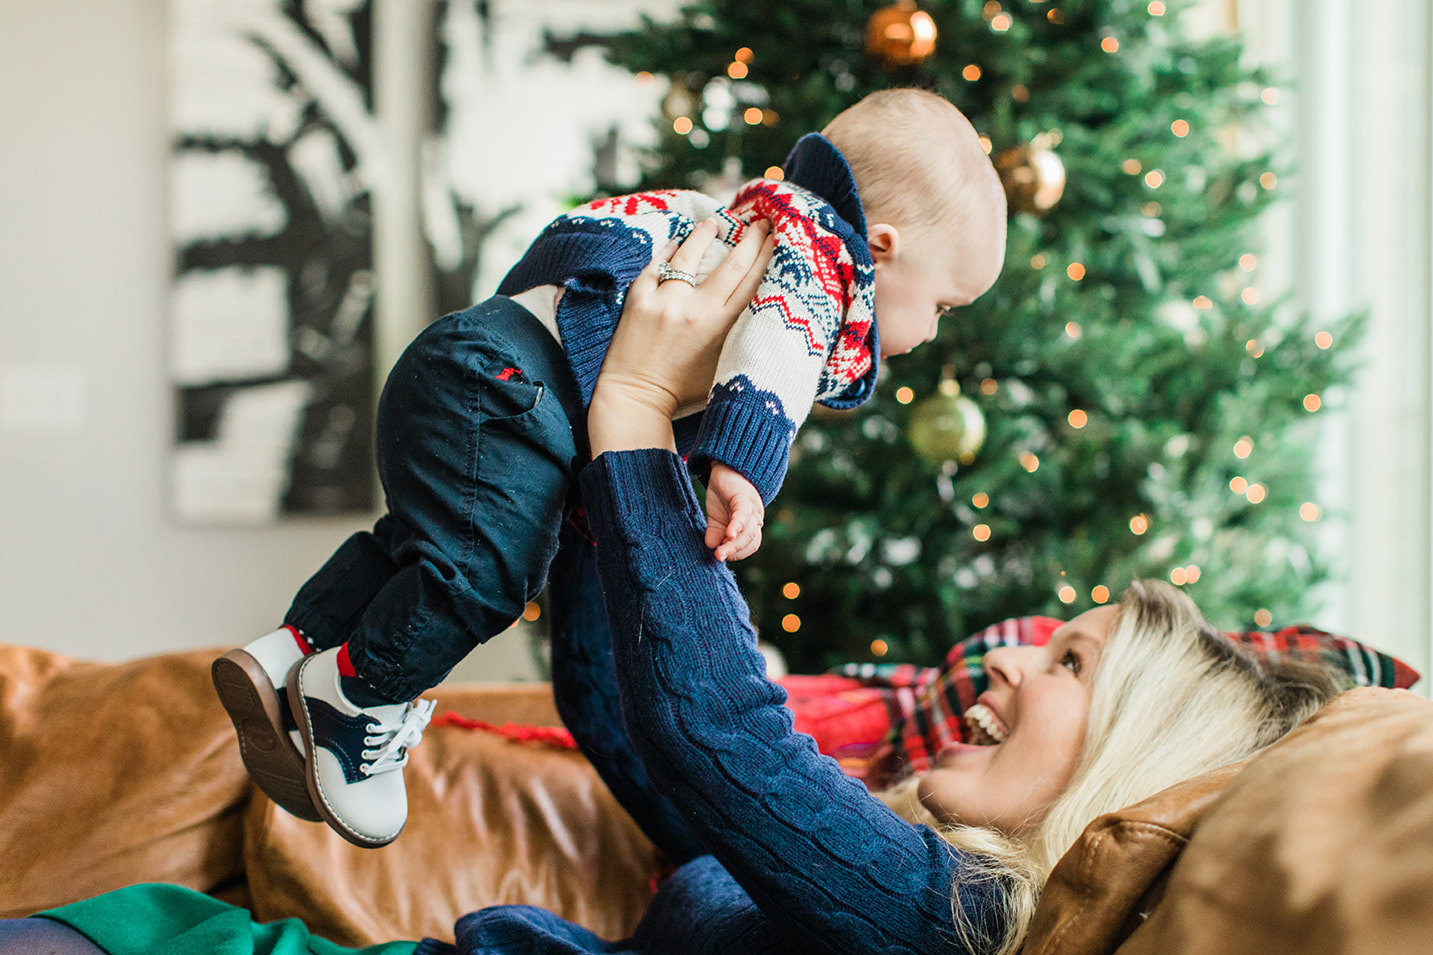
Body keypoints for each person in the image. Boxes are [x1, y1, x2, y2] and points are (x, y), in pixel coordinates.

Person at [0, 225, 1339, 955]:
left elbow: (720, 737)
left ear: (1128, 753)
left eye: (1070, 665)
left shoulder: (965, 938)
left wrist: (636, 410)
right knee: (90, 934)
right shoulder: (899, 879)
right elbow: (642, 730)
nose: (1009, 661)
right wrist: (594, 454)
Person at [212, 87, 1009, 848]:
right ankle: (357, 694)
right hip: (514, 392)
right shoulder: (814, 262)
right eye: (943, 306)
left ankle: (291, 648)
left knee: (420, 550)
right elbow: (773, 361)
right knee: (487, 578)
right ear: (882, 249)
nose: (934, 333)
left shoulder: (742, 216)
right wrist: (743, 470)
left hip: (468, 360)